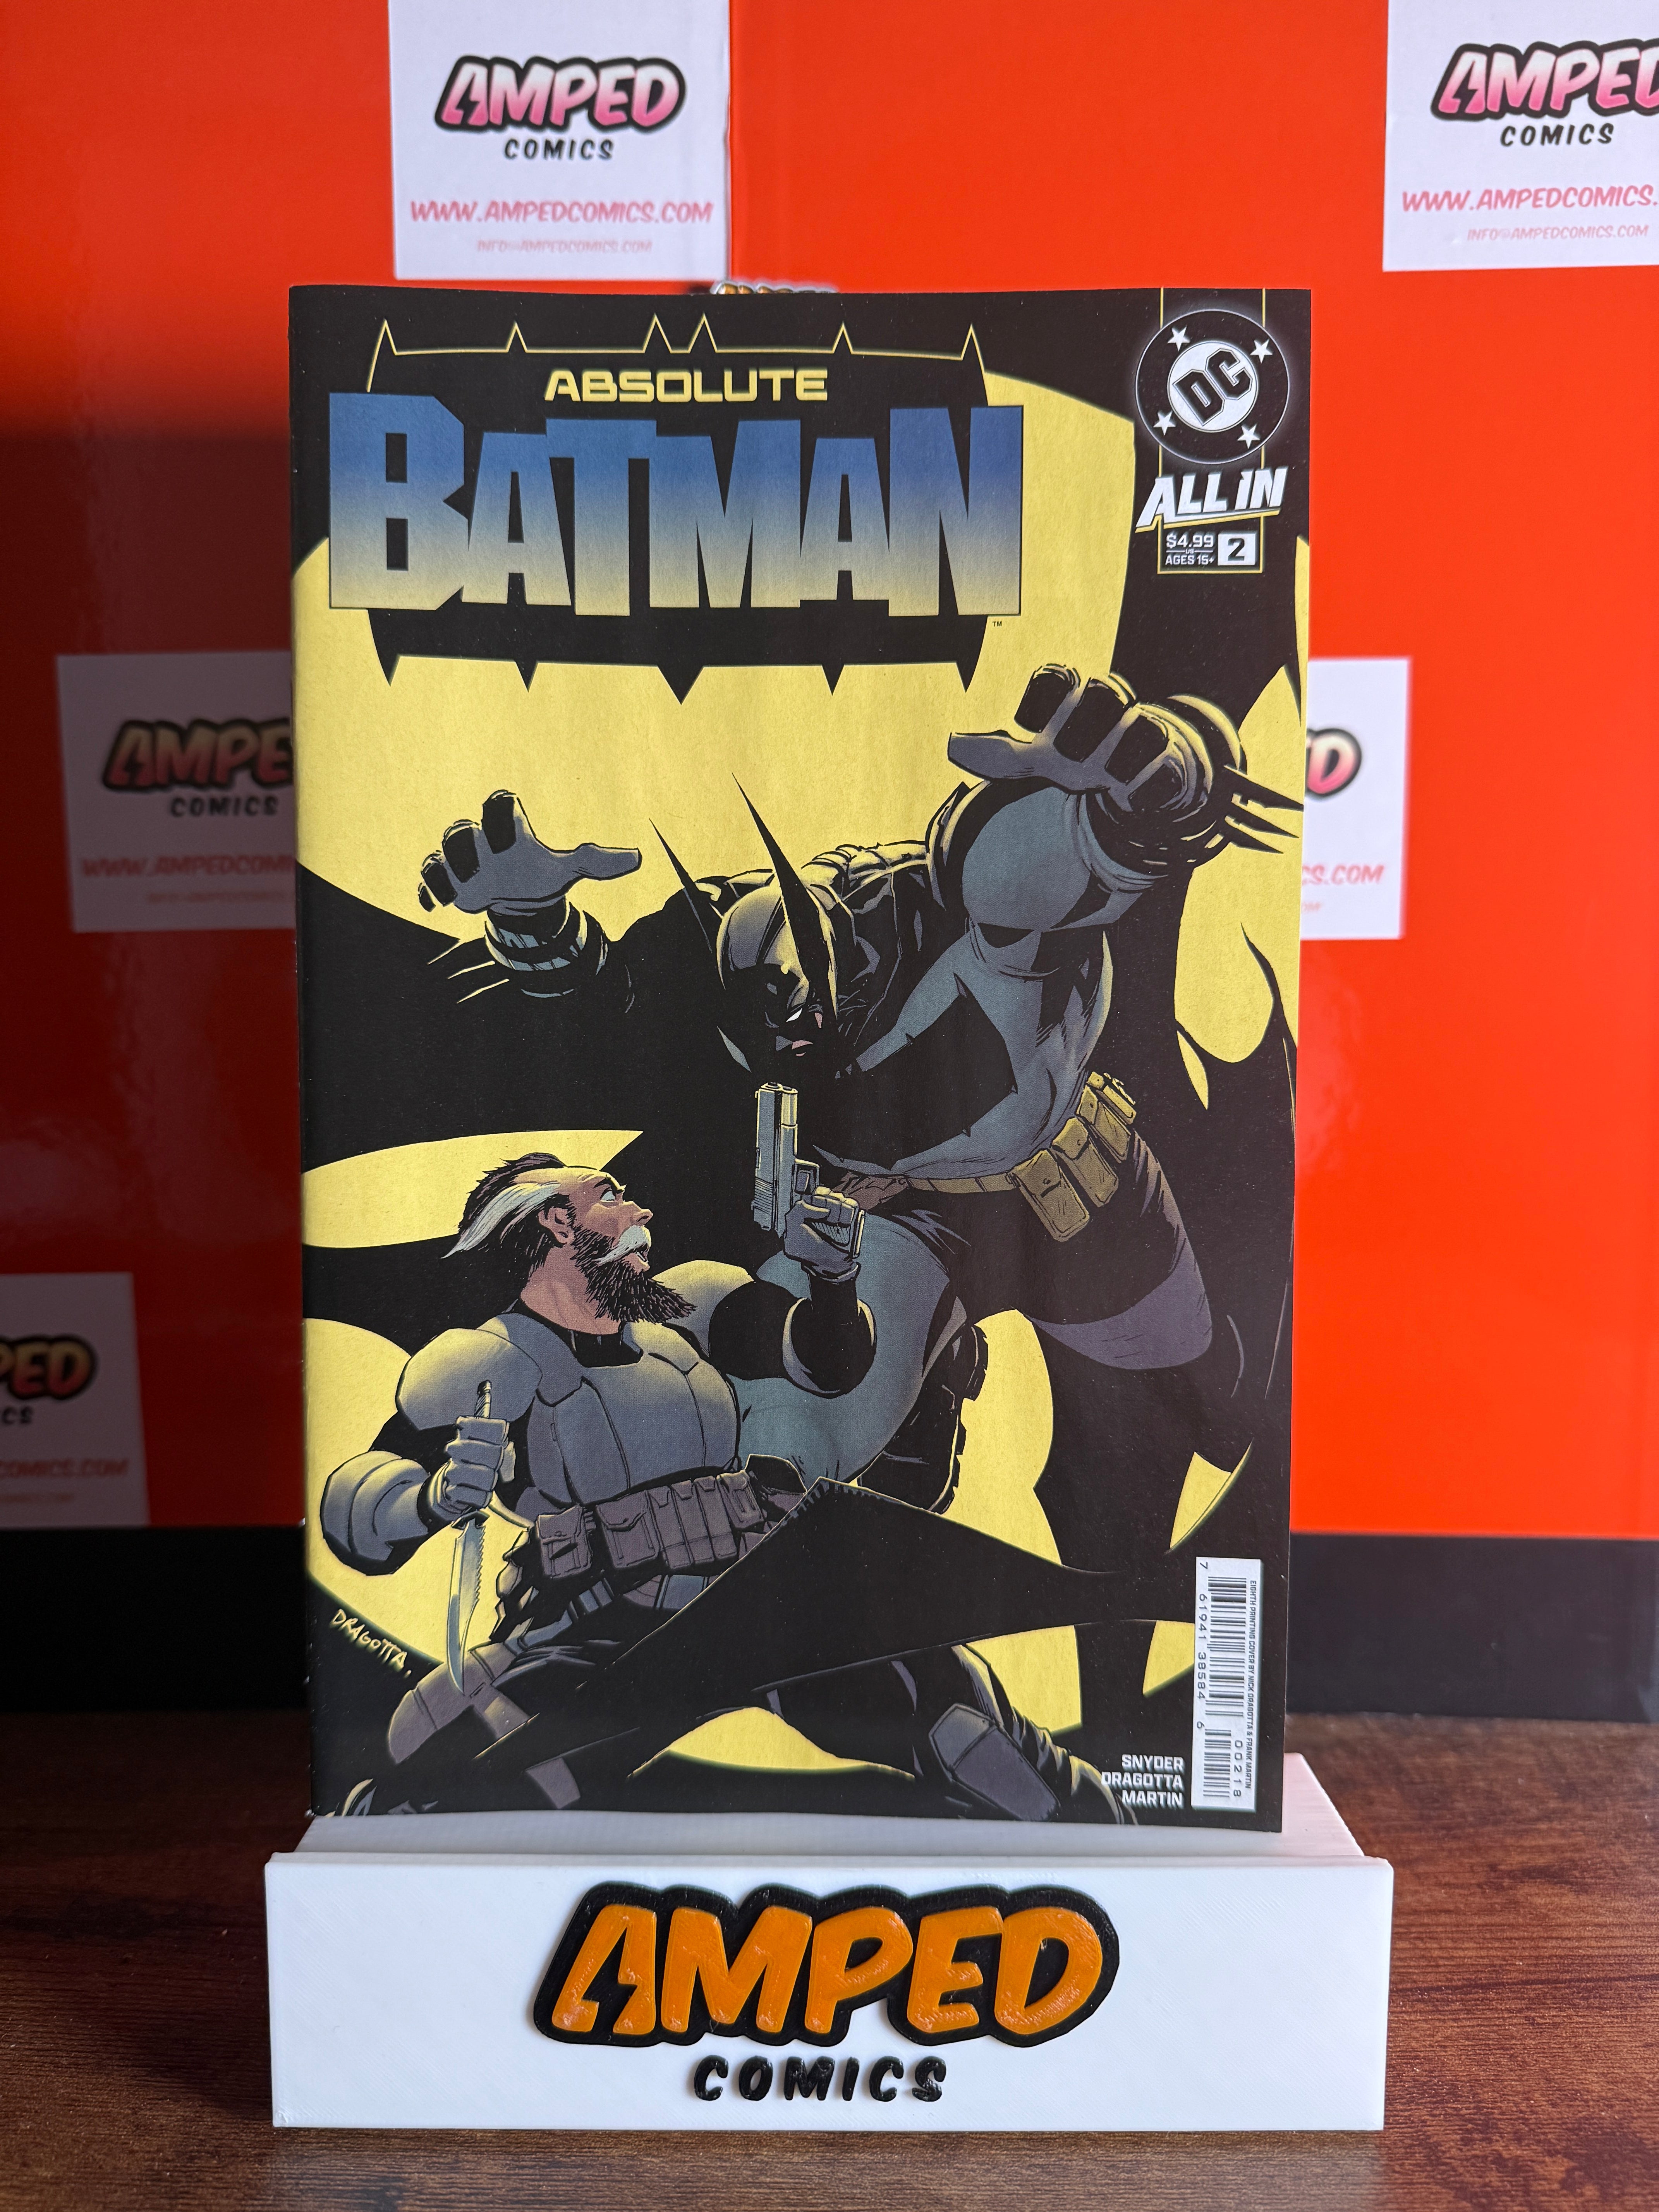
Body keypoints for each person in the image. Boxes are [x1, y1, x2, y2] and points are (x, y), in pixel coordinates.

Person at [412, 665, 1297, 1490]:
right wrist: (530, 917)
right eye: (769, 1015)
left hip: (1067, 1197)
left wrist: (1132, 807)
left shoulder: (958, 913)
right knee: (806, 1442)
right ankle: (928, 1385)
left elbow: (1020, 863)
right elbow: (612, 998)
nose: (794, 1030)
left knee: (1219, 1414)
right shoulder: (715, 946)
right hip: (892, 1220)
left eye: (803, 1003)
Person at [321, 1150, 1125, 1823]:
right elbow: (358, 1502)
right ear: (556, 1223)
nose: (639, 1210)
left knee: (963, 1724)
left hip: (763, 1594)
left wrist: (834, 1279)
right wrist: (430, 1502)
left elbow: (826, 1363)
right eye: (610, 1196)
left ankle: (1101, 1843)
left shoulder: (689, 1308)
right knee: (464, 1769)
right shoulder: (491, 1357)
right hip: (609, 1626)